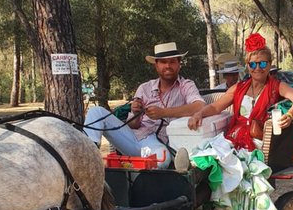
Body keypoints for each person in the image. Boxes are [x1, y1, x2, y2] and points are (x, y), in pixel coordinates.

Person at [83, 41, 206, 169]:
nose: (168, 66)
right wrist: (135, 112)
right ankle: (88, 156)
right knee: (96, 112)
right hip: (133, 138)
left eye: (172, 62)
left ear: (179, 64)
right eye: (163, 62)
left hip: (158, 143)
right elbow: (134, 124)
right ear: (156, 65)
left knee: (162, 158)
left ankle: (139, 175)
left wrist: (164, 113)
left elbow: (200, 106)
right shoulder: (144, 88)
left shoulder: (186, 85)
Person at [185, 33, 293, 152]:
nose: (257, 68)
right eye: (253, 64)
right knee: (208, 150)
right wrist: (199, 114)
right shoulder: (238, 88)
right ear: (247, 66)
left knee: (226, 158)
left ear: (270, 65)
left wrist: (290, 115)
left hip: (260, 142)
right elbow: (215, 107)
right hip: (235, 138)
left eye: (263, 63)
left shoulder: (277, 86)